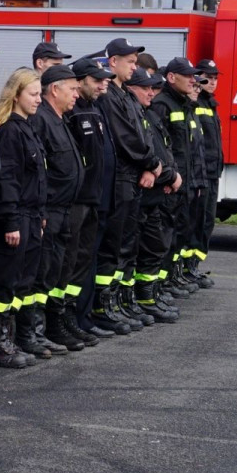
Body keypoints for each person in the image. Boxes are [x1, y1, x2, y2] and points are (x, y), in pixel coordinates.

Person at [0, 68, 46, 369]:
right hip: (15, 217)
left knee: (20, 282)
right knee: (2, 283)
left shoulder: (27, 127)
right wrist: (10, 222)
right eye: (33, 94)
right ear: (16, 94)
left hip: (30, 216)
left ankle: (9, 338)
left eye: (40, 93)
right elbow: (6, 181)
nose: (38, 99)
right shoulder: (8, 130)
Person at [94, 38, 161, 333]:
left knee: (127, 245)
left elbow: (143, 135)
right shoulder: (110, 96)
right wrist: (150, 163)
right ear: (113, 62)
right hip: (121, 177)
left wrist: (151, 163)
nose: (134, 67)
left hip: (133, 177)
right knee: (114, 246)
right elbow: (126, 139)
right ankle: (102, 306)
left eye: (135, 61)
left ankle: (119, 301)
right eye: (130, 62)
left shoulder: (127, 96)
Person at [28, 64, 85, 354]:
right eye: (73, 89)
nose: (77, 94)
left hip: (64, 209)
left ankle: (51, 324)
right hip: (49, 209)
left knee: (57, 271)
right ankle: (34, 331)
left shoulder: (60, 118)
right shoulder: (41, 119)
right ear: (55, 89)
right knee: (43, 271)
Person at [65, 57, 114, 341]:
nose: (101, 85)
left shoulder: (95, 108)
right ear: (80, 80)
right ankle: (72, 319)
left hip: (97, 199)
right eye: (97, 81)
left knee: (88, 260)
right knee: (75, 262)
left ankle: (82, 317)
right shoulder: (73, 112)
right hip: (79, 201)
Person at [129, 67, 182, 323]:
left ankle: (148, 296)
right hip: (143, 193)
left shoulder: (147, 114)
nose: (152, 92)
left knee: (155, 246)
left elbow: (163, 151)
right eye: (146, 88)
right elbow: (140, 154)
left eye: (154, 88)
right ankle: (136, 299)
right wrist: (168, 176)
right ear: (131, 88)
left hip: (155, 193)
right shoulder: (137, 114)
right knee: (134, 251)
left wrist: (170, 173)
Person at [150, 57, 207, 297]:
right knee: (166, 237)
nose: (193, 80)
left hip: (186, 184)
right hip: (171, 186)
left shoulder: (183, 104)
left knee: (179, 234)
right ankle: (159, 285)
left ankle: (170, 277)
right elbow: (160, 148)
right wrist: (168, 178)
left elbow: (192, 149)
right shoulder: (163, 105)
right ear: (172, 77)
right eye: (188, 75)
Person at [191, 58, 224, 286]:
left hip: (212, 172)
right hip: (201, 174)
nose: (211, 82)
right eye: (207, 78)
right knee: (196, 221)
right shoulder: (194, 103)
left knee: (207, 222)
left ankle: (195, 265)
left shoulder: (211, 104)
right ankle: (187, 267)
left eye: (214, 78)